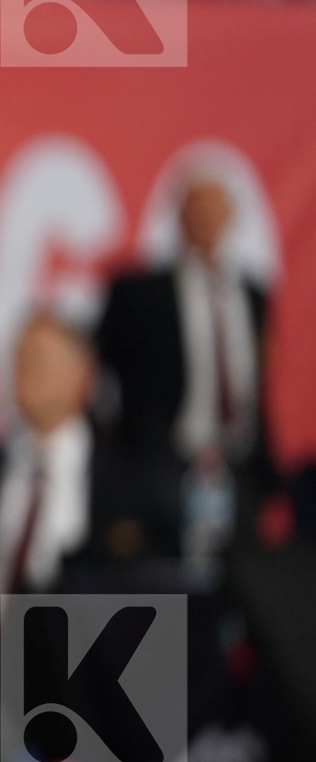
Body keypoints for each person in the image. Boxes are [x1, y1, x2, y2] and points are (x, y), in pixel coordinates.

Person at [0, 311, 181, 656]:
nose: (25, 372)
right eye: (19, 359)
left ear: (84, 377)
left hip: (71, 665)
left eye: (40, 359)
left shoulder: (132, 484)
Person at [96, 176, 276, 522]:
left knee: (248, 569)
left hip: (239, 465)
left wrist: (267, 468)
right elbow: (100, 367)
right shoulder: (141, 294)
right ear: (180, 216)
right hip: (164, 463)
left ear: (230, 217)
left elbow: (256, 382)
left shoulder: (253, 295)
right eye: (197, 209)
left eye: (214, 209)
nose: (206, 219)